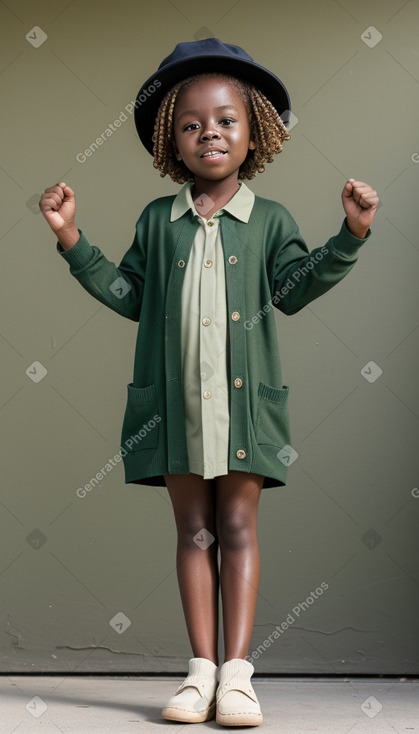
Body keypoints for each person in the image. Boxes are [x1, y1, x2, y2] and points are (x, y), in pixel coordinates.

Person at [39, 38, 379, 728]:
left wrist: (349, 233)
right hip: (173, 410)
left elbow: (292, 289)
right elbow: (128, 294)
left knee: (238, 528)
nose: (209, 134)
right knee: (194, 532)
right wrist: (72, 238)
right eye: (191, 124)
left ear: (255, 130)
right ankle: (198, 674)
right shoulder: (156, 222)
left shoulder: (270, 221)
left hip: (246, 412)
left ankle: (237, 677)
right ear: (172, 139)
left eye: (225, 120)